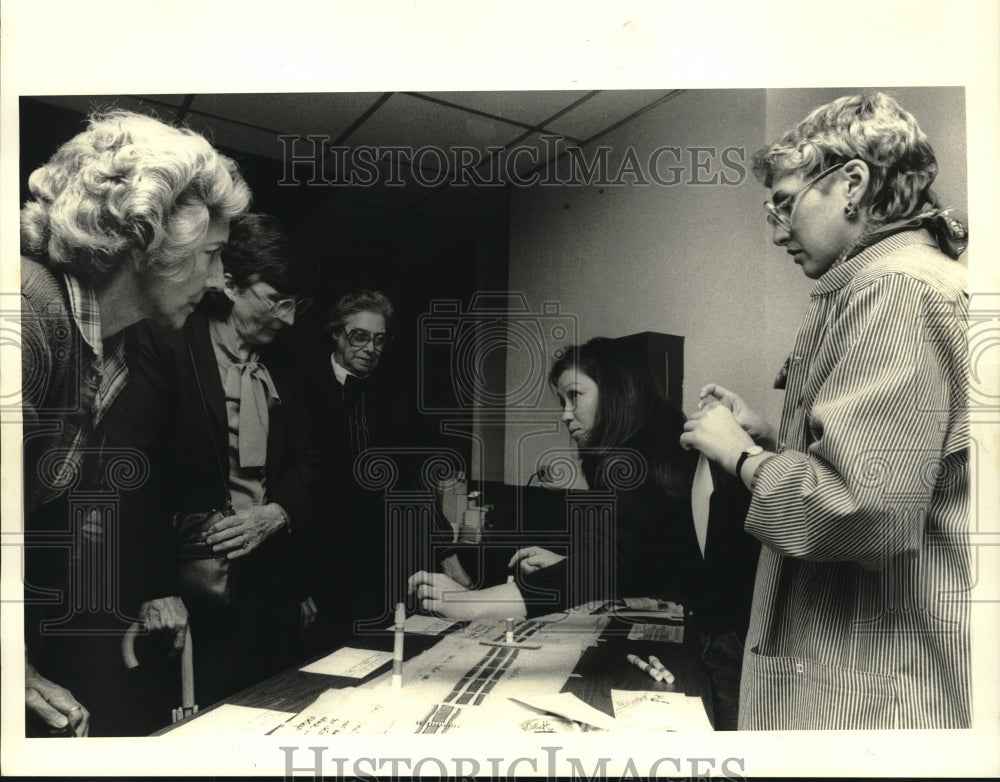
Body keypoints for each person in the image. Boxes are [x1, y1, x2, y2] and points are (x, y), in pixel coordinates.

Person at [679, 91, 970, 730]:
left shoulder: (892, 291)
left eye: (784, 202)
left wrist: (742, 455)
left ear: (852, 184)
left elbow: (867, 515)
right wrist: (775, 445)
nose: (777, 228)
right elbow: (885, 479)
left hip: (870, 695)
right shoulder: (900, 281)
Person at [20, 110, 251, 736]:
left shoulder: (105, 341)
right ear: (149, 242)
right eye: (210, 256)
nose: (216, 283)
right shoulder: (27, 317)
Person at [409, 338, 760, 728]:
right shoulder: (656, 439)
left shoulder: (634, 456)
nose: (565, 415)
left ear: (615, 391)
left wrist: (467, 604)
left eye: (575, 396)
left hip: (730, 637)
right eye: (562, 401)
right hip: (726, 628)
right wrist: (569, 564)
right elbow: (642, 560)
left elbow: (602, 567)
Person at [107, 213, 319, 710]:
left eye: (297, 305)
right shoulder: (169, 342)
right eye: (277, 300)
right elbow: (133, 472)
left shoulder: (287, 362)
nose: (288, 318)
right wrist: (156, 588)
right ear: (229, 283)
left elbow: (309, 460)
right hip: (191, 593)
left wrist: (275, 515)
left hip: (271, 589)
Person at [299, 289, 402, 649]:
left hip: (378, 570)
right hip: (318, 571)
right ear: (336, 334)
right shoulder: (302, 389)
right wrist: (296, 585)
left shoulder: (389, 397)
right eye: (360, 336)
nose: (371, 348)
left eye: (379, 340)